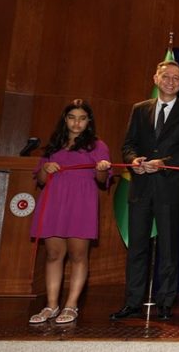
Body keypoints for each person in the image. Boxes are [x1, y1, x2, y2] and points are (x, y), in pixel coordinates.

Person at [111, 60, 179, 321]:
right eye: (166, 76)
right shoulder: (140, 109)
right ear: (155, 79)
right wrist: (133, 161)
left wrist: (163, 163)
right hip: (140, 187)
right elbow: (128, 144)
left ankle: (165, 303)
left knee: (168, 249)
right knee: (137, 247)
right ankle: (132, 303)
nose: (171, 81)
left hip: (170, 188)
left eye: (176, 77)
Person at [28, 99, 111, 324]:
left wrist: (102, 168)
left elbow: (102, 180)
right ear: (65, 120)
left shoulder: (97, 145)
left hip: (81, 202)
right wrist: (46, 168)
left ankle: (71, 305)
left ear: (88, 121)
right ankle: (51, 305)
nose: (77, 123)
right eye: (72, 118)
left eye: (82, 118)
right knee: (53, 254)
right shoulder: (54, 144)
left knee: (78, 255)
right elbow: (41, 180)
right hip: (54, 201)